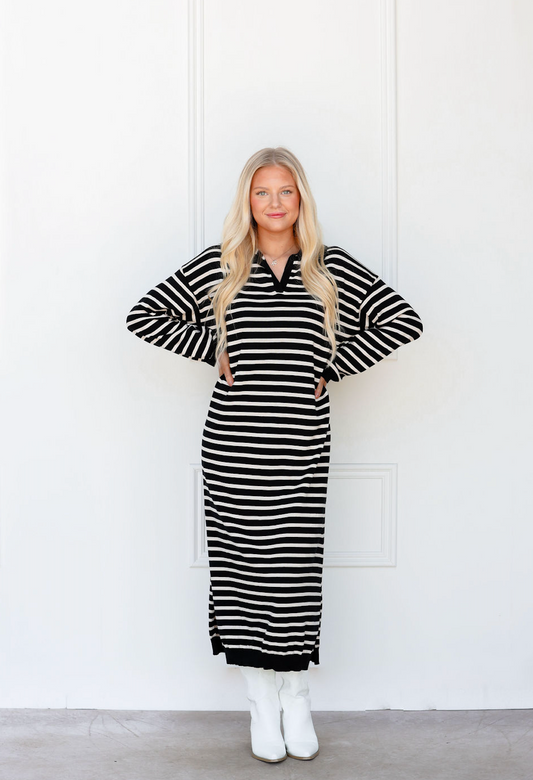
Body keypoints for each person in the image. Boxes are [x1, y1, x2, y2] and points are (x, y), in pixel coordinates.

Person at [125, 146, 424, 763]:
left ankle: (296, 696)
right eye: (262, 192)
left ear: (300, 198)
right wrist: (214, 350)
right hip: (234, 446)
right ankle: (260, 699)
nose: (275, 203)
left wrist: (331, 365)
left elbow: (402, 321)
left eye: (286, 191)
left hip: (301, 445)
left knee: (292, 573)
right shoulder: (223, 265)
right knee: (242, 571)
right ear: (248, 200)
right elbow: (144, 315)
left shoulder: (329, 267)